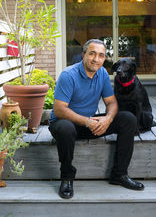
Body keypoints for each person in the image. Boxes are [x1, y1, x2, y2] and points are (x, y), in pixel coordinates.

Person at [49, 39, 144, 199]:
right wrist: (86, 121)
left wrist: (107, 118)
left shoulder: (102, 74)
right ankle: (67, 178)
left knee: (128, 118)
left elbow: (112, 102)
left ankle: (119, 174)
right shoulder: (68, 75)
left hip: (90, 123)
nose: (96, 59)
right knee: (65, 127)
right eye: (92, 53)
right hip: (64, 124)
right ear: (83, 55)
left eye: (101, 55)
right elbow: (59, 110)